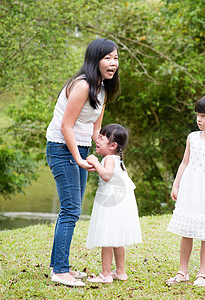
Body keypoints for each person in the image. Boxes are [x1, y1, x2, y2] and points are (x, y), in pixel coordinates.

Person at [45, 38, 120, 287]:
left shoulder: (102, 89)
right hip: (61, 147)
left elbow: (95, 125)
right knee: (71, 209)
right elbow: (66, 125)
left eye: (116, 58)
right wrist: (77, 157)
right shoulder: (82, 86)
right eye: (107, 58)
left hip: (81, 148)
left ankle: (58, 265)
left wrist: (100, 152)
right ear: (94, 60)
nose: (113, 63)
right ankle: (60, 270)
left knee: (72, 209)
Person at [166, 93, 205, 287]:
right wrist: (176, 184)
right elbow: (185, 162)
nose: (199, 119)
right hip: (190, 187)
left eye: (203, 116)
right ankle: (182, 271)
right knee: (187, 230)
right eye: (198, 115)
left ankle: (202, 273)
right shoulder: (192, 137)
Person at [85, 124, 142, 284]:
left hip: (110, 203)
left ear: (113, 146)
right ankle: (120, 272)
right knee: (117, 239)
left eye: (102, 138)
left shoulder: (108, 159)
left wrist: (95, 163)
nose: (97, 140)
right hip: (120, 203)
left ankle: (105, 274)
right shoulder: (117, 159)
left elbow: (107, 176)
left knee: (107, 238)